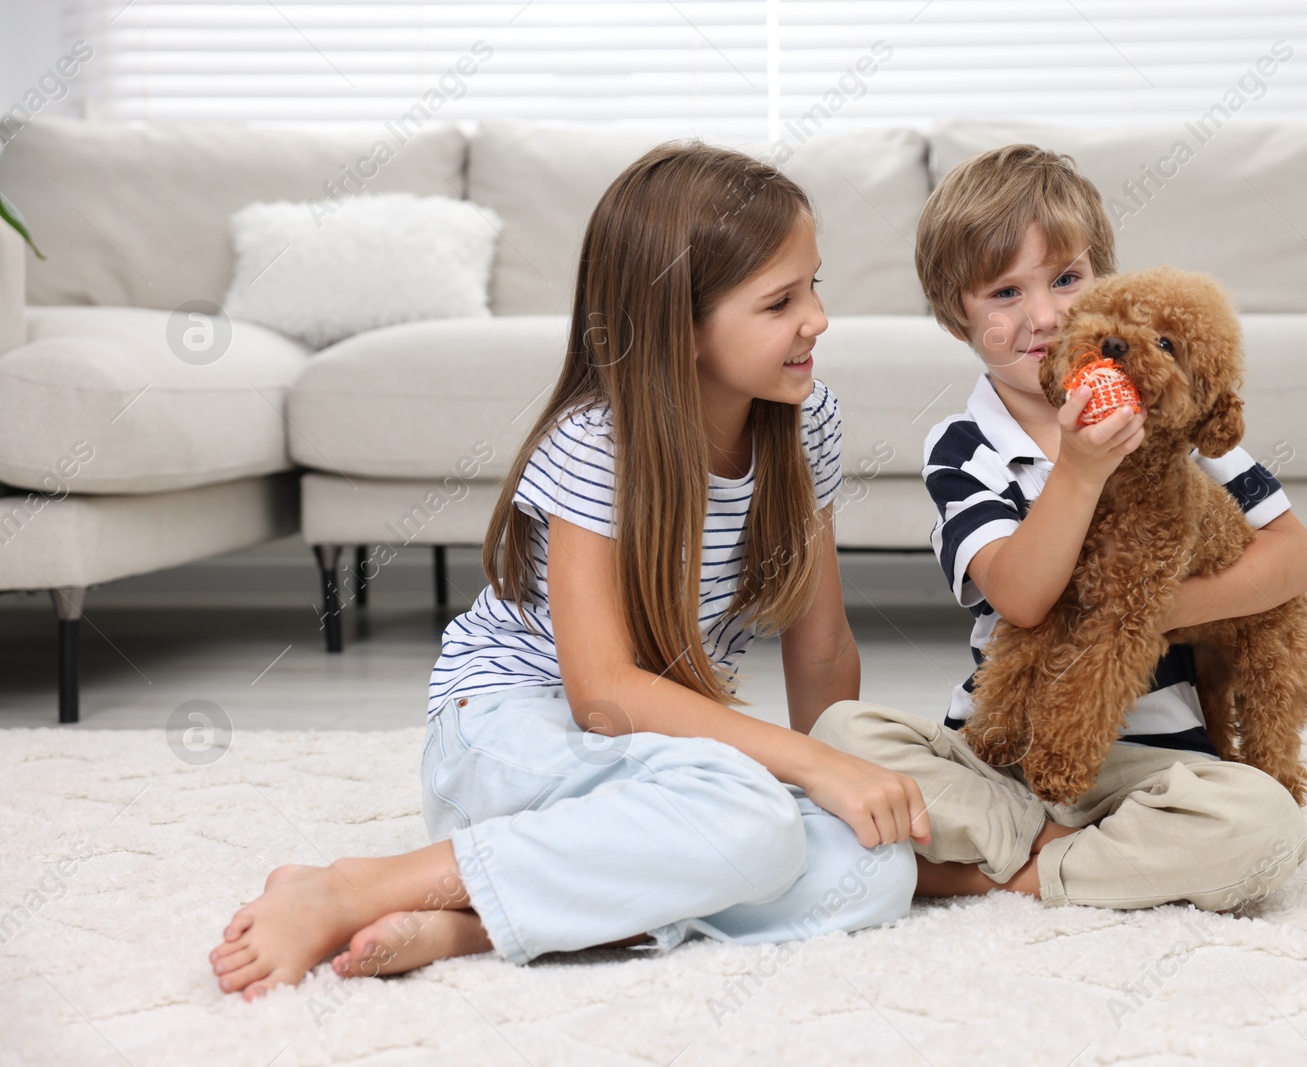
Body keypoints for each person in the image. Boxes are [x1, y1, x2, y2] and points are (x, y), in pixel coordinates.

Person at [209, 143, 926, 1000]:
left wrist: (841, 776)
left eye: (815, 284)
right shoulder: (598, 442)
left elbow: (820, 646)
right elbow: (603, 696)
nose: (816, 318)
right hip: (512, 735)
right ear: (680, 326)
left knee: (877, 871)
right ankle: (358, 885)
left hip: (655, 765)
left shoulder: (808, 420)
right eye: (780, 300)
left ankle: (473, 923)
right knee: (752, 817)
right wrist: (807, 776)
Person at [812, 144, 1307, 911]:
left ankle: (1008, 868)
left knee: (1264, 826)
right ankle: (1066, 853)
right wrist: (1080, 471)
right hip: (1003, 757)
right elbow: (1021, 598)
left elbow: (1297, 559)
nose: (1044, 316)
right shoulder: (964, 447)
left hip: (1155, 766)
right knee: (839, 733)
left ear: (1105, 283)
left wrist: (1153, 610)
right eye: (1004, 293)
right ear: (959, 317)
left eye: (1066, 279)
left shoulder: (1171, 411)